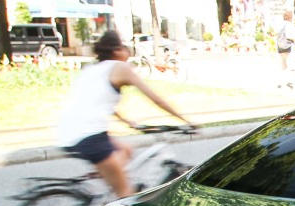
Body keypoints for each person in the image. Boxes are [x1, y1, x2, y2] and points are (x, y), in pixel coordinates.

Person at [57, 31, 193, 197]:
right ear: (116, 51)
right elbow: (155, 99)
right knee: (126, 195)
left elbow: (97, 102)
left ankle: (108, 179)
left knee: (126, 150)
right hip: (89, 136)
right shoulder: (120, 68)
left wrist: (127, 121)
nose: (128, 52)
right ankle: (115, 195)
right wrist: (185, 120)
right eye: (124, 48)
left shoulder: (93, 69)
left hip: (69, 131)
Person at [276, 11, 295, 89]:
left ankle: (281, 81)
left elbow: (276, 34)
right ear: (290, 17)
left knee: (283, 64)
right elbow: (289, 35)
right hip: (287, 45)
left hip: (280, 45)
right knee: (288, 63)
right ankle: (288, 81)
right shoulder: (288, 24)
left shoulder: (280, 24)